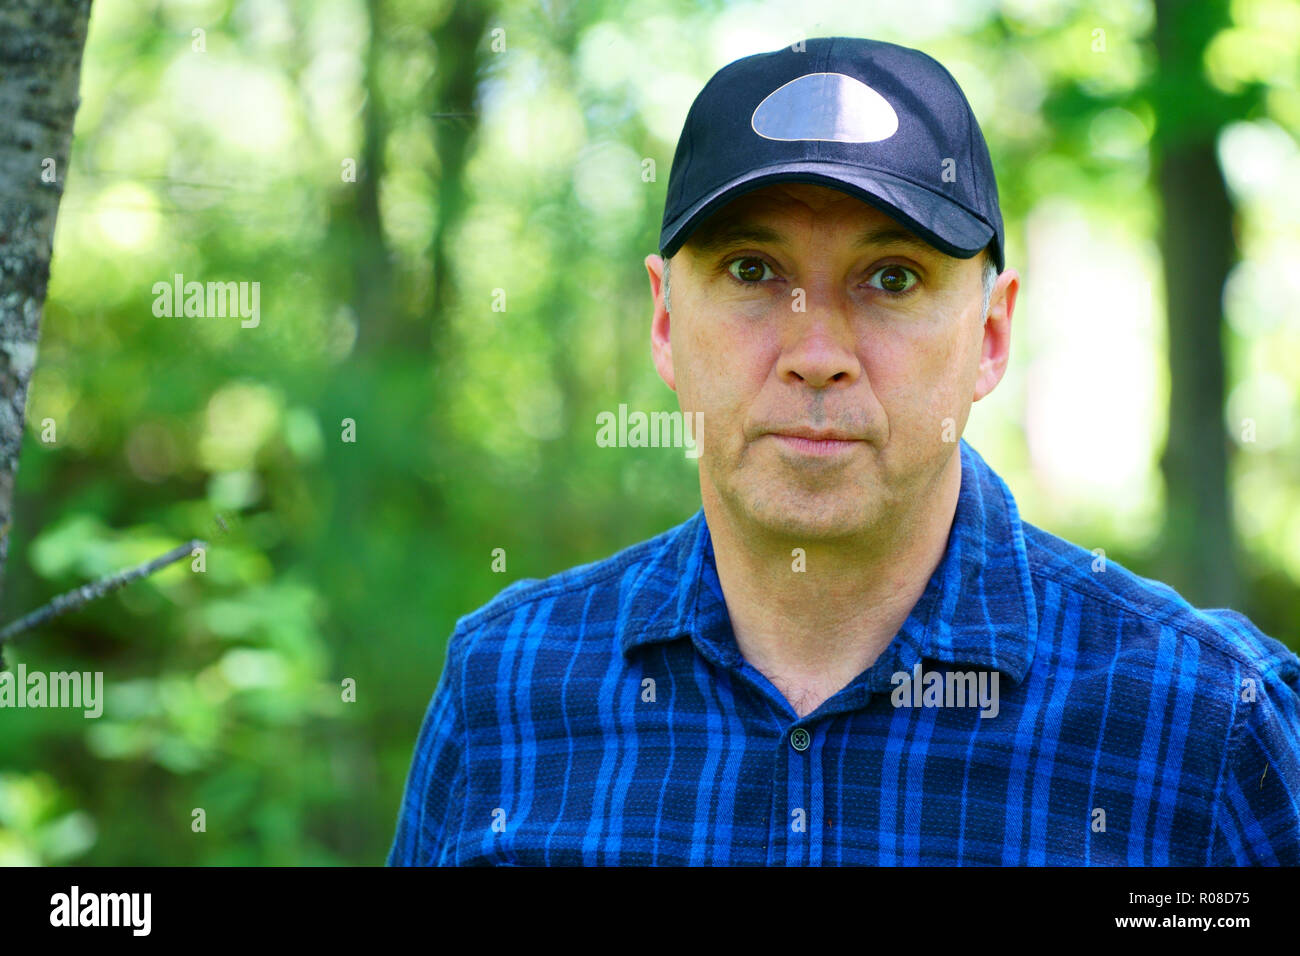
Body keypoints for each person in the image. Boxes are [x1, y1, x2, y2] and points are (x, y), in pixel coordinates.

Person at [388, 36, 1300, 865]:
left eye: (891, 278)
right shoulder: (501, 688)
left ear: (990, 333)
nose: (816, 354)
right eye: (753, 270)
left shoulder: (1207, 724)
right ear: (666, 321)